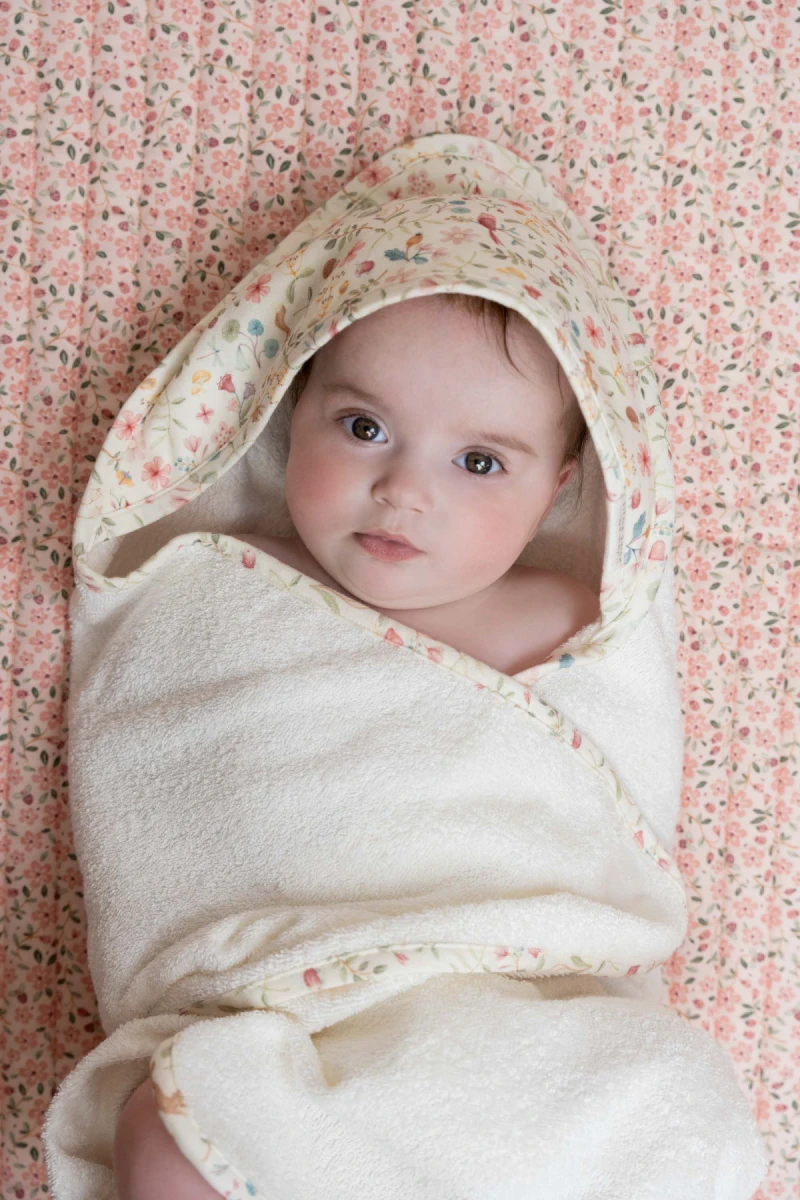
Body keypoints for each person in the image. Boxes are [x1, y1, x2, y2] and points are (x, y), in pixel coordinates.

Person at [112, 290, 601, 1200]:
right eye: (364, 427)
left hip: (498, 996)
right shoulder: (217, 586)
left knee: (667, 1094)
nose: (404, 490)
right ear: (291, 414)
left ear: (557, 490)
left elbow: (594, 830)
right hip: (272, 998)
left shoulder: (569, 623)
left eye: (480, 461)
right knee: (171, 1121)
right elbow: (165, 776)